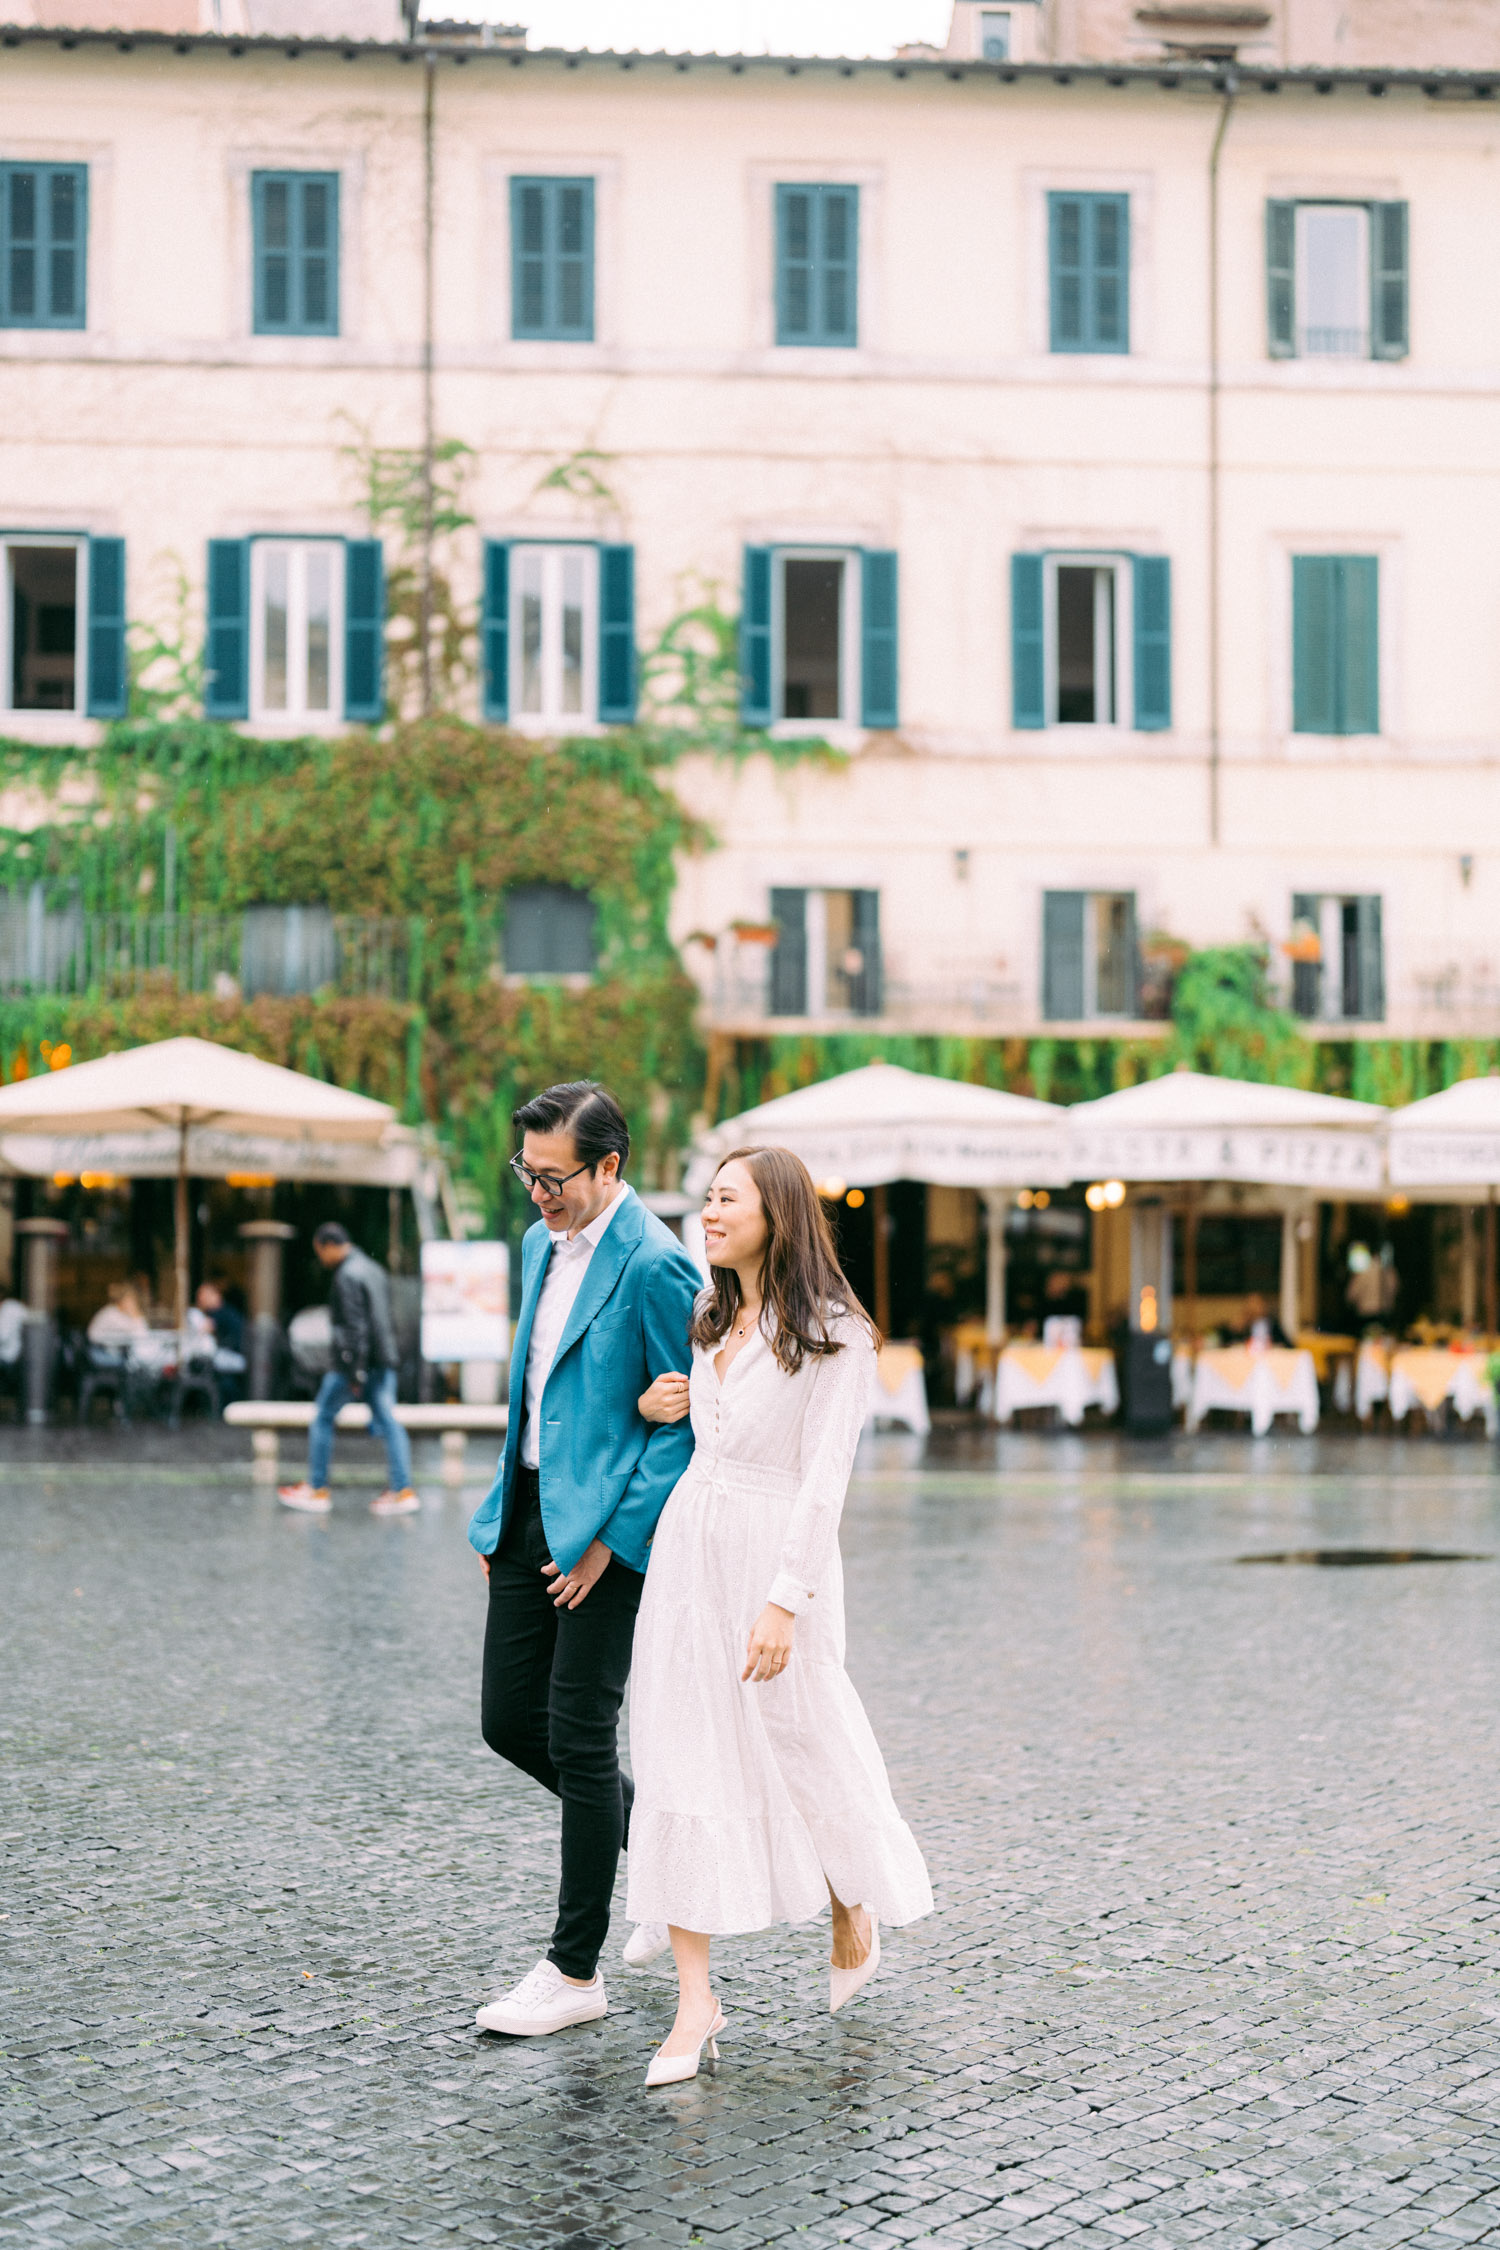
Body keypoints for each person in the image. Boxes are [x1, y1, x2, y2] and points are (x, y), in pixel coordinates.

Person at [625, 1145, 932, 2089]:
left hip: (776, 1556)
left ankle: (852, 1894)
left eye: (726, 1199)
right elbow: (709, 1426)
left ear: (777, 1214)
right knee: (680, 1748)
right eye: (706, 1198)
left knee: (806, 1738)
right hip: (690, 1548)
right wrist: (658, 1404)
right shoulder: (707, 1312)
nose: (708, 1213)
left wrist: (782, 1602)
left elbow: (823, 1483)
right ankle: (694, 2000)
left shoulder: (838, 1333)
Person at [469, 1082, 700, 2043]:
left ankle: (574, 1970)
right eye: (527, 1172)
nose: (537, 1192)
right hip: (527, 1517)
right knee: (506, 1720)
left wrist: (612, 1544)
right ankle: (652, 1858)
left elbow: (687, 1426)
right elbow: (536, 1389)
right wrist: (505, 1517)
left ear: (610, 1165)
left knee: (577, 1734)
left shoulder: (658, 1264)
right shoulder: (537, 1245)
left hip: (609, 1537)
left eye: (554, 1175)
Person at [277, 1225, 417, 1517]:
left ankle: (317, 1488)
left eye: (320, 1252)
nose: (322, 1259)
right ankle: (402, 1489)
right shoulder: (372, 1268)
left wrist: (355, 1374)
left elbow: (354, 1328)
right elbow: (384, 1318)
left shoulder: (347, 1275)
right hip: (380, 1359)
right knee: (387, 1421)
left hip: (356, 1363)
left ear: (328, 1245)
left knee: (323, 1416)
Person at [87, 1281, 150, 1346]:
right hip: (99, 1348)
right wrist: (135, 1313)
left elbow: (142, 1333)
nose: (133, 1303)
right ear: (122, 1300)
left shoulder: (122, 1313)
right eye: (130, 1300)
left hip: (112, 1348)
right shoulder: (111, 1313)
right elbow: (137, 1333)